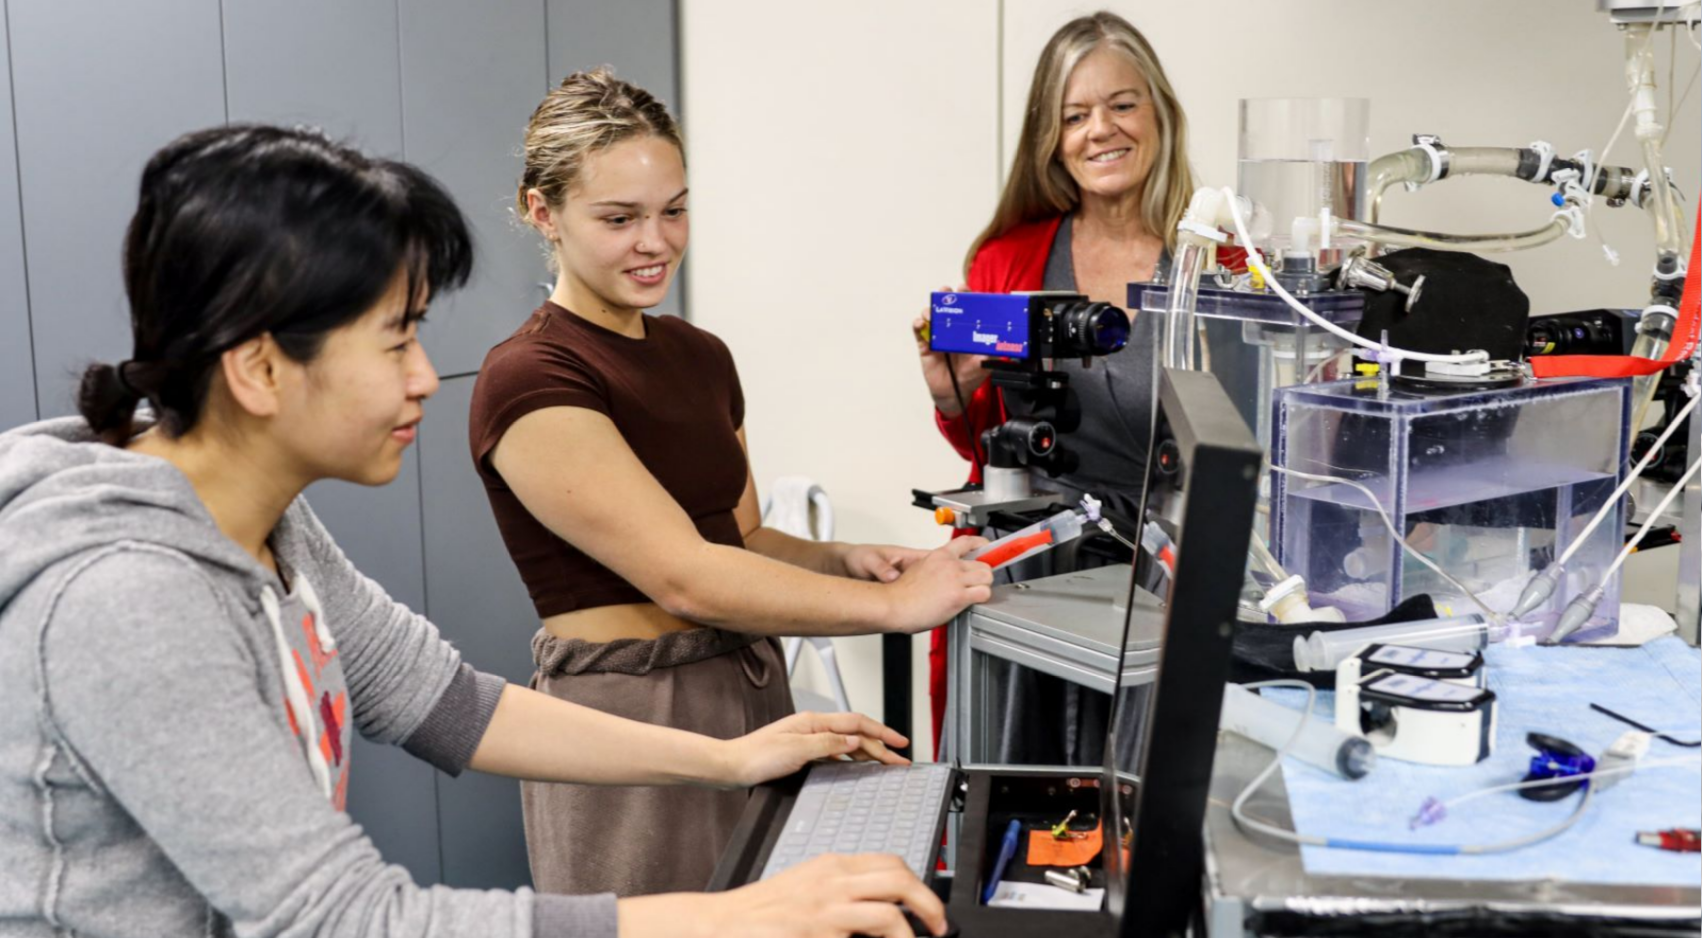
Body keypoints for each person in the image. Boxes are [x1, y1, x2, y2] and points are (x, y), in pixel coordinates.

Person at [0, 124, 950, 938]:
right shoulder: (125, 595)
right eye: (395, 338)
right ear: (258, 370)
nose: (424, 377)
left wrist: (727, 758)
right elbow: (347, 918)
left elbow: (445, 702)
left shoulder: (271, 525)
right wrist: (729, 916)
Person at [470, 69, 992, 899]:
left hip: (750, 685)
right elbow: (685, 576)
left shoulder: (700, 354)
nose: (657, 241)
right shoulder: (532, 375)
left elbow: (742, 540)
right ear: (543, 211)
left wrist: (851, 560)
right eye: (620, 218)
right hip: (631, 718)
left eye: (673, 210)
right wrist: (895, 611)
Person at [910, 12, 1231, 762]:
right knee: (1019, 788)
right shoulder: (1009, 259)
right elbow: (985, 440)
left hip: (1171, 575)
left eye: (1122, 104)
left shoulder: (1221, 260)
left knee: (1155, 792)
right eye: (1074, 115)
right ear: (1049, 138)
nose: (1100, 131)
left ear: (1160, 114)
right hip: (1035, 570)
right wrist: (947, 390)